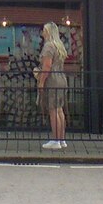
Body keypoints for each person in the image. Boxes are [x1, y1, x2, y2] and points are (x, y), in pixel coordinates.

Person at [36, 21, 68, 150]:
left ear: (49, 32)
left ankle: (55, 140)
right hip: (61, 78)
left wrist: (41, 81)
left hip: (52, 80)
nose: (42, 32)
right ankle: (61, 139)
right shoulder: (59, 46)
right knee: (59, 110)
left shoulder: (48, 46)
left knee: (53, 110)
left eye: (44, 30)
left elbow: (47, 66)